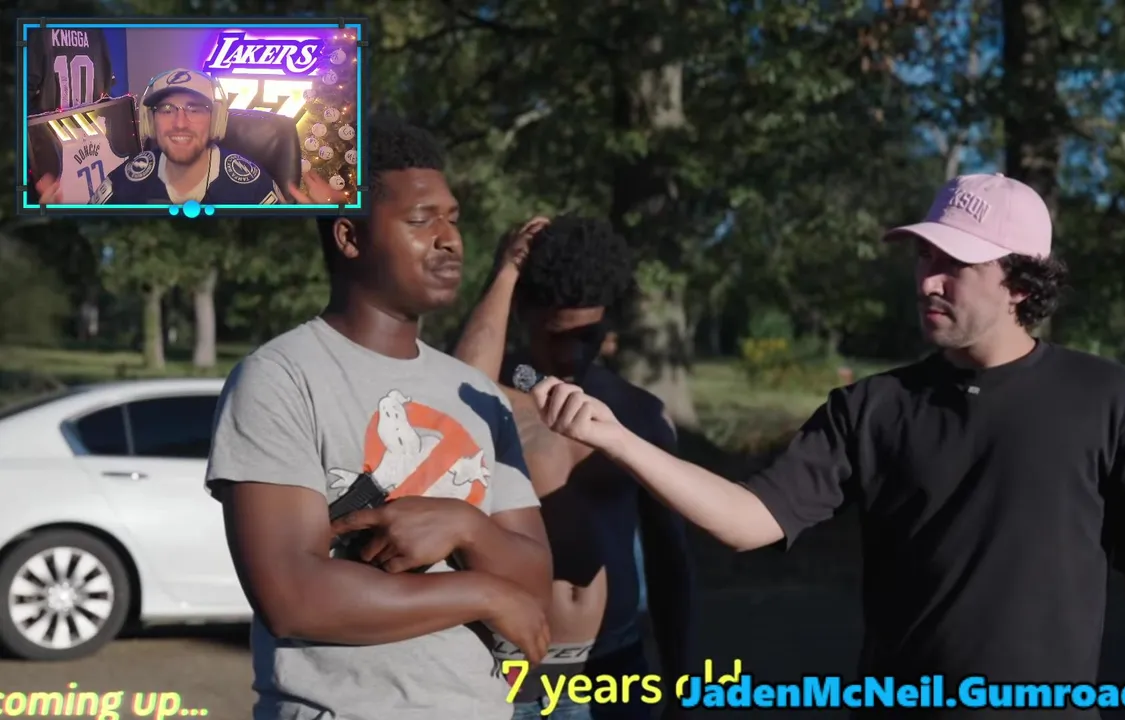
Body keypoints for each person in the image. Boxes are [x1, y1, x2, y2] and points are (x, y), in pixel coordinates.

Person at [531, 174, 1125, 719]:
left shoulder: (1107, 398)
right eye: (925, 257)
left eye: (955, 264)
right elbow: (747, 519)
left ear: (1021, 284)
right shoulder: (872, 408)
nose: (927, 281)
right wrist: (617, 439)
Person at [205, 115, 553, 720]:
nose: (450, 240)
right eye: (421, 221)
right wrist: (482, 590)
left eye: (453, 219)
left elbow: (535, 581)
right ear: (349, 237)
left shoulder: (478, 395)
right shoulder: (281, 378)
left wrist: (467, 528)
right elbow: (292, 596)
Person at [453, 215, 695, 719]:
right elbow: (457, 394)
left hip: (616, 671)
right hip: (513, 678)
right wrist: (507, 271)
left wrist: (681, 682)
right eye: (555, 335)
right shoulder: (490, 400)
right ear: (522, 314)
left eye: (588, 336)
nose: (571, 354)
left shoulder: (639, 414)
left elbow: (669, 559)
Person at [36, 68, 285, 206]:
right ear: (150, 121)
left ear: (216, 120)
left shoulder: (253, 189)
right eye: (166, 110)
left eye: (195, 109)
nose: (180, 123)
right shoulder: (124, 184)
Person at [27, 27, 114, 114]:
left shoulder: (42, 31)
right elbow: (108, 81)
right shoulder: (96, 31)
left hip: (54, 121)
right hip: (93, 119)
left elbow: (28, 87)